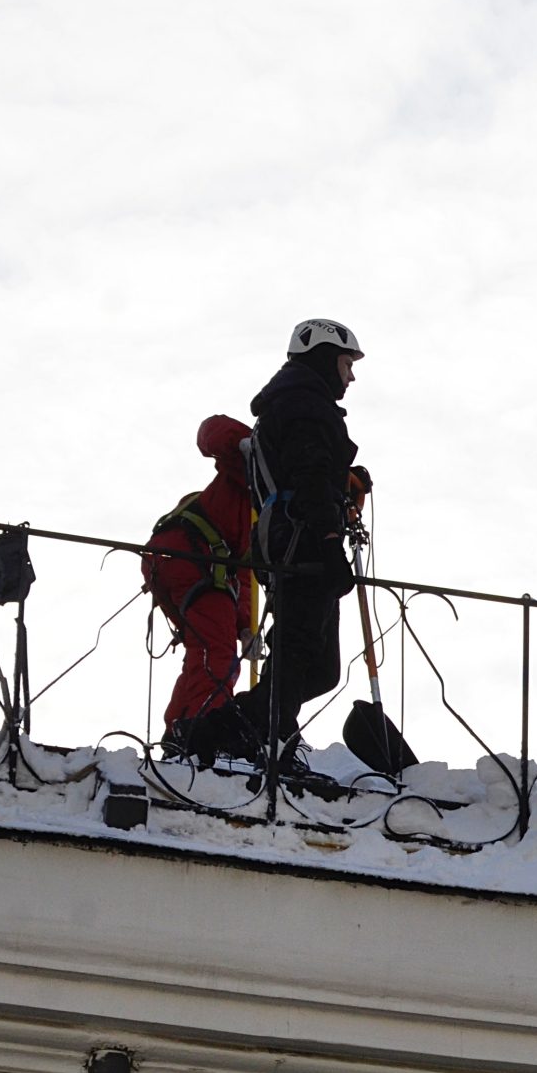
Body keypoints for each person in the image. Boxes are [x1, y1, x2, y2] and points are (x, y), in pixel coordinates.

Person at [171, 318, 367, 769]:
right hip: (304, 544)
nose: (351, 376)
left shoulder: (297, 405)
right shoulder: (304, 406)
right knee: (300, 655)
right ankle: (220, 734)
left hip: (292, 541)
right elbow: (310, 474)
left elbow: (311, 469)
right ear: (322, 358)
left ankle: (251, 731)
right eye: (345, 363)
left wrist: (345, 482)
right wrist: (329, 539)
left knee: (317, 667)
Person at [148, 415, 257, 748]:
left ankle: (181, 729)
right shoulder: (244, 472)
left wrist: (244, 627)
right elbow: (211, 431)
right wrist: (249, 445)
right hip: (191, 559)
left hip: (179, 563)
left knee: (206, 650)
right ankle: (206, 730)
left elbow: (244, 573)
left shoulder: (259, 509)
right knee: (216, 651)